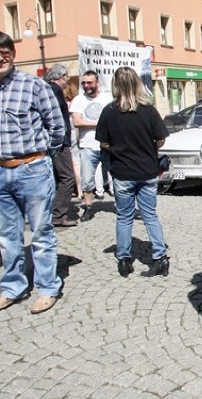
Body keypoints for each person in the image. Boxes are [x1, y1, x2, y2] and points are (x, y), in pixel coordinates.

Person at [0, 31, 65, 315]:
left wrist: (39, 160)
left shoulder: (35, 86)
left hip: (32, 169)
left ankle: (48, 287)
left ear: (13, 53)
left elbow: (57, 128)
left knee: (40, 232)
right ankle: (13, 287)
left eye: (4, 52)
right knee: (6, 236)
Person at [96, 67, 170, 278]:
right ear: (138, 83)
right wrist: (148, 148)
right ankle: (160, 257)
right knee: (150, 215)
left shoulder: (110, 111)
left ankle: (124, 259)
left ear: (115, 86)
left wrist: (120, 149)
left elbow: (103, 142)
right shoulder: (149, 110)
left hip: (123, 171)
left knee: (124, 217)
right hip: (147, 169)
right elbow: (161, 139)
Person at [70, 70, 112, 222]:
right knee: (87, 180)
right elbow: (77, 121)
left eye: (90, 83)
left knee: (118, 177)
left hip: (107, 145)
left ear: (97, 83)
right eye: (84, 83)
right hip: (88, 146)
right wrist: (99, 124)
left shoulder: (108, 99)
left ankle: (124, 207)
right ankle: (88, 208)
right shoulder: (78, 100)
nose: (86, 86)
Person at [44, 65, 78, 227]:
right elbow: (55, 117)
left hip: (55, 140)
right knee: (67, 176)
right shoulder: (55, 90)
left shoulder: (47, 89)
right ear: (60, 77)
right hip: (59, 141)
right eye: (66, 77)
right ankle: (58, 214)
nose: (67, 81)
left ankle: (53, 212)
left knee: (58, 177)